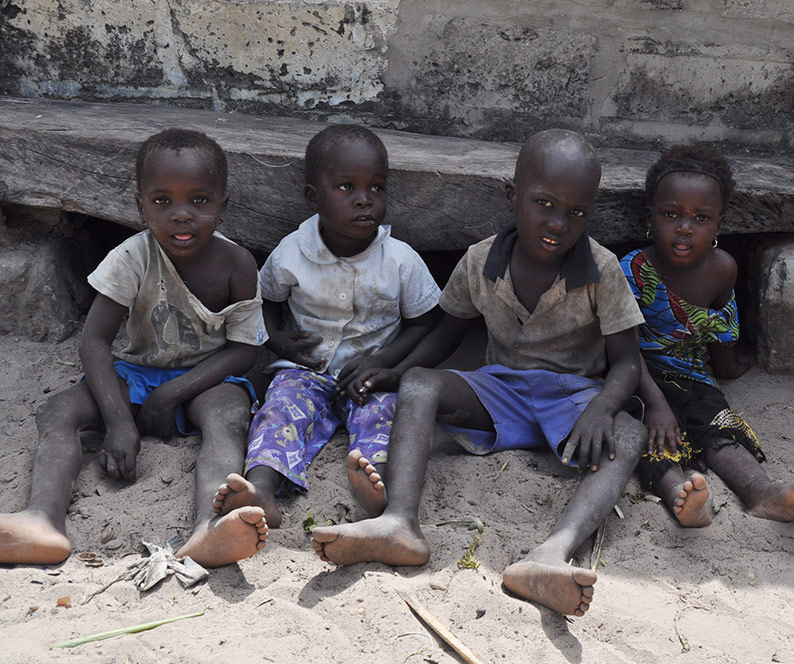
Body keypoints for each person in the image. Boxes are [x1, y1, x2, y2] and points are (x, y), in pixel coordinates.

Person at [309, 128, 648, 618]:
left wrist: (602, 406)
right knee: (421, 383)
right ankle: (400, 522)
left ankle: (553, 552)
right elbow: (445, 338)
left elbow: (629, 361)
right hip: (501, 390)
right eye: (544, 203)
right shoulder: (478, 260)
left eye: (577, 212)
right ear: (513, 197)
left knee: (629, 432)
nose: (559, 222)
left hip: (573, 400)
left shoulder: (601, 268)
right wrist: (394, 368)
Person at [0, 128, 269, 567]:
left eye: (198, 201)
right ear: (140, 207)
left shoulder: (237, 263)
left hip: (207, 379)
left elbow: (243, 352)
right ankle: (41, 519)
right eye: (162, 201)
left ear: (223, 207)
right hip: (138, 373)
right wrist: (119, 421)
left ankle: (210, 526)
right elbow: (94, 341)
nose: (181, 215)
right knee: (58, 411)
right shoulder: (131, 257)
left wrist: (175, 392)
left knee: (228, 417)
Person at [212, 125, 440, 527]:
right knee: (278, 411)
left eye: (377, 188)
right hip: (306, 371)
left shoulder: (400, 260)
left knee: (386, 417)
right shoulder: (292, 253)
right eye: (346, 188)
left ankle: (378, 489)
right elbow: (262, 301)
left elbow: (424, 323)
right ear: (313, 197)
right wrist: (278, 341)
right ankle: (261, 489)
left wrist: (384, 362)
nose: (364, 200)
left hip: (369, 377)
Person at [621, 144, 794, 528]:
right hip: (637, 375)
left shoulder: (722, 269)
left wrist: (731, 367)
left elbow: (721, 332)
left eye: (701, 217)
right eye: (671, 214)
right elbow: (623, 348)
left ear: (718, 224)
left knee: (719, 428)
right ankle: (680, 495)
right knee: (646, 433)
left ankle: (761, 492)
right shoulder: (633, 268)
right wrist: (658, 404)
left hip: (690, 377)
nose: (685, 227)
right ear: (651, 217)